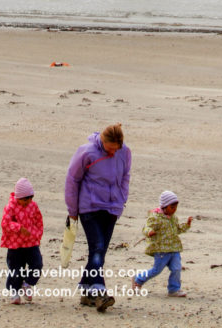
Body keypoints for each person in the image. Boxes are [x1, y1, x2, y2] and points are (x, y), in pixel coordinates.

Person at [65, 123, 131, 311]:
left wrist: (121, 199)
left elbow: (125, 176)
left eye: (115, 149)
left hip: (111, 208)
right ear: (103, 140)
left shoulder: (125, 152)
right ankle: (99, 291)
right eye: (110, 148)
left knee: (99, 252)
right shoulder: (87, 152)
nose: (113, 152)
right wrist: (72, 209)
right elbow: (72, 179)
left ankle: (86, 292)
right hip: (89, 207)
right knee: (97, 247)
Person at [132, 190, 193, 297]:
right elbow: (146, 227)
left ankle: (174, 289)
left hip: (174, 248)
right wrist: (149, 232)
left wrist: (187, 225)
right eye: (172, 207)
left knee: (177, 268)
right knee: (156, 270)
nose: (174, 210)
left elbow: (178, 229)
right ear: (164, 206)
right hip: (161, 250)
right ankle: (138, 279)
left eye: (175, 208)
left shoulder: (174, 218)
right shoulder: (155, 217)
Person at [0, 177, 44, 304]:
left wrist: (37, 235)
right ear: (18, 197)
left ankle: (28, 283)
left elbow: (38, 222)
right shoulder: (10, 207)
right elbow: (5, 223)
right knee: (16, 269)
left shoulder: (33, 206)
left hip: (31, 243)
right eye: (25, 199)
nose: (28, 201)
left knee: (37, 264)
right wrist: (19, 228)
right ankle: (14, 292)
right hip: (15, 245)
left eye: (31, 198)